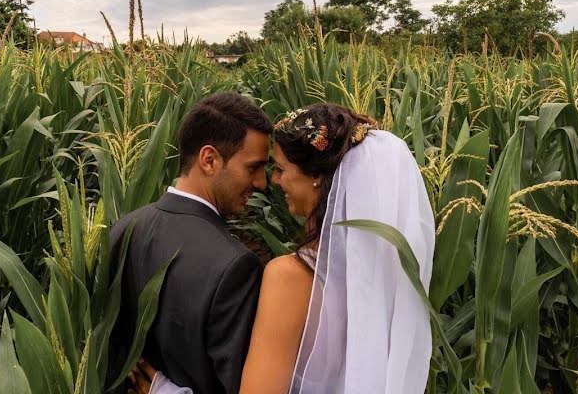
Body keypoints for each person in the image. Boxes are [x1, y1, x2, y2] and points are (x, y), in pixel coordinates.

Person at [140, 103, 435, 394]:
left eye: (281, 169)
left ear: (316, 177)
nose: (273, 180)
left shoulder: (290, 278)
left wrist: (162, 390)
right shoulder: (389, 272)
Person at [110, 92, 273, 394]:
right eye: (253, 167)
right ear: (209, 160)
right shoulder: (234, 265)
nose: (262, 182)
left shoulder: (124, 228)